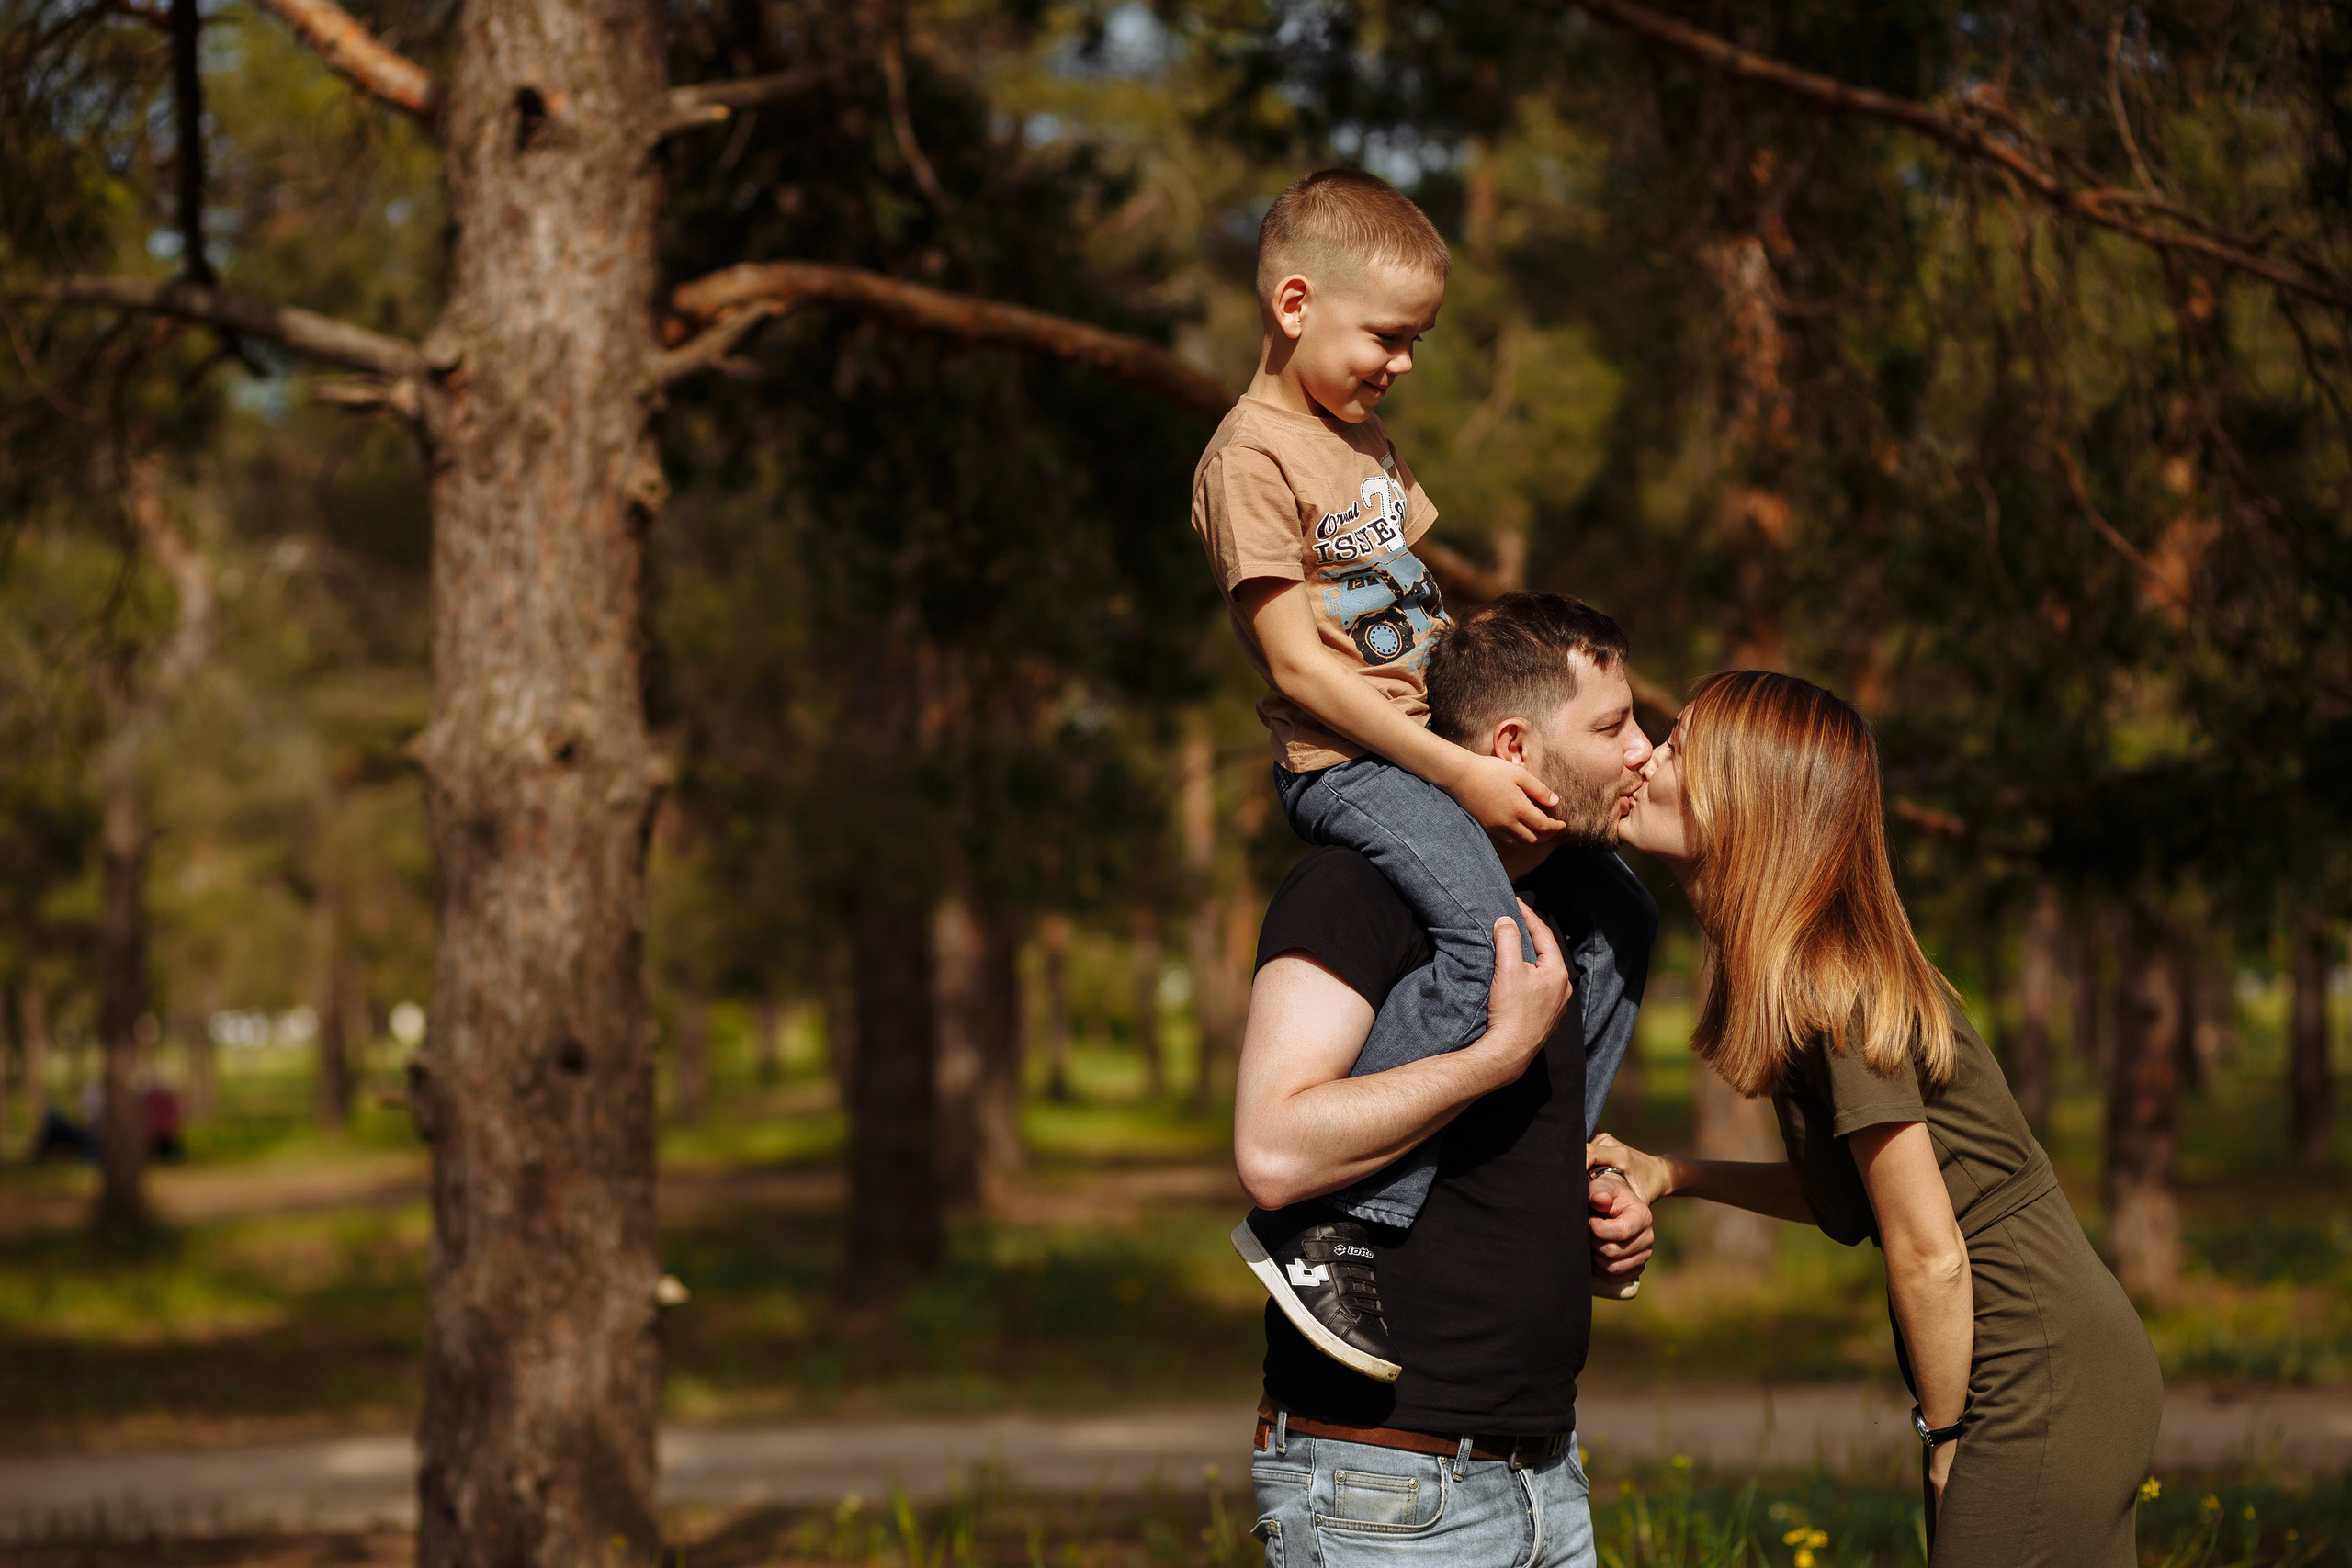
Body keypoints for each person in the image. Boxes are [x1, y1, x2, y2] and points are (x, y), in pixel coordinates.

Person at [1191, 166, 1645, 1382]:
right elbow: (1305, 665)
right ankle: (1330, 1220)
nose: (1402, 361)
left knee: (1614, 916)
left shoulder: (1362, 445)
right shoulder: (1253, 454)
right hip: (1351, 765)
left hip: (1427, 745)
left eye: (1417, 340)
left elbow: (1415, 624)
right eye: (1385, 335)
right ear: (1295, 302)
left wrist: (1527, 689)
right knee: (1489, 938)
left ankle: (1552, 1153)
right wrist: (1459, 769)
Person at [1593, 670, 2163, 1568]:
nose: (1641, 756)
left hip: (2040, 1376)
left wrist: (1943, 1441)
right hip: (2041, 1367)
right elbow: (1855, 1204)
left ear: (1747, 799)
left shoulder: (1836, 988)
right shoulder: (1802, 978)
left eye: (1673, 747)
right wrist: (1677, 1174)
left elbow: (1928, 1252)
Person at [1235, 592, 1659, 1568]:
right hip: (1386, 1489)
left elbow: (1487, 1158)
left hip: (1545, 1473)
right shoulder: (1355, 892)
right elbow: (1272, 1147)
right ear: (1511, 745)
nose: (1641, 749)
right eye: (1611, 726)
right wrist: (1492, 1058)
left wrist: (1588, 1212)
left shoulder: (1576, 921)